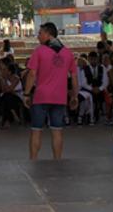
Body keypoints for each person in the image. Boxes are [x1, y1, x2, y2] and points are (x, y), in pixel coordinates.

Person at [24, 22, 79, 160]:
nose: (38, 36)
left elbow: (32, 74)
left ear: (48, 34)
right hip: (59, 97)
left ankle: (33, 159)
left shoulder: (39, 51)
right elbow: (74, 76)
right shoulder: (67, 53)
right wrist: (75, 96)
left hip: (41, 96)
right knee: (57, 131)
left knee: (36, 131)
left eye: (40, 33)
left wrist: (26, 93)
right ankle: (57, 160)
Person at [78, 51, 108, 125]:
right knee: (87, 98)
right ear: (88, 59)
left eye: (95, 59)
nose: (93, 61)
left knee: (102, 98)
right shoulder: (85, 69)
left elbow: (105, 81)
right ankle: (86, 116)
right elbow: (83, 82)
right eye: (91, 59)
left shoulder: (102, 68)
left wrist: (99, 89)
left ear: (98, 59)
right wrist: (92, 89)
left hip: (99, 89)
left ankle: (100, 115)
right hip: (88, 89)